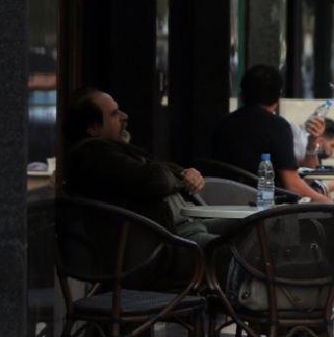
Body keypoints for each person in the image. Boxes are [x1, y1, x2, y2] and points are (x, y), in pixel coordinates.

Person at [63, 87, 222, 255]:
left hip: (188, 226)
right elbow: (156, 180)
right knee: (233, 251)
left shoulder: (112, 151)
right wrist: (179, 176)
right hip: (172, 240)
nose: (124, 116)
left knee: (243, 229)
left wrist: (183, 173)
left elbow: (159, 170)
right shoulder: (93, 155)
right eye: (114, 113)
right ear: (94, 128)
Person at [212, 64, 329, 202]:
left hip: (218, 200)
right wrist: (329, 202)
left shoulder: (222, 124)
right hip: (265, 206)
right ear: (278, 96)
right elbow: (292, 184)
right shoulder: (278, 126)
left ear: (241, 94)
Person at [292, 117, 334, 193]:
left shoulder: (316, 158)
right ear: (319, 141)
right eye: (332, 145)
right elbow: (304, 193)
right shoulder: (302, 157)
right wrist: (332, 186)